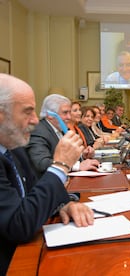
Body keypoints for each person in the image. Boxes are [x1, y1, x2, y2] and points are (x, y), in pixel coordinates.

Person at [0, 74, 94, 274]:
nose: (35, 120)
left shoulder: (14, 148)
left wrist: (64, 204)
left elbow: (34, 189)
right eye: (27, 112)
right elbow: (19, 225)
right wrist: (61, 165)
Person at [26, 94, 99, 176]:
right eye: (65, 113)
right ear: (50, 115)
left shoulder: (62, 128)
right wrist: (77, 166)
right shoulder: (38, 131)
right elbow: (41, 163)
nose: (69, 117)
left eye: (69, 112)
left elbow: (66, 155)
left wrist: (83, 155)